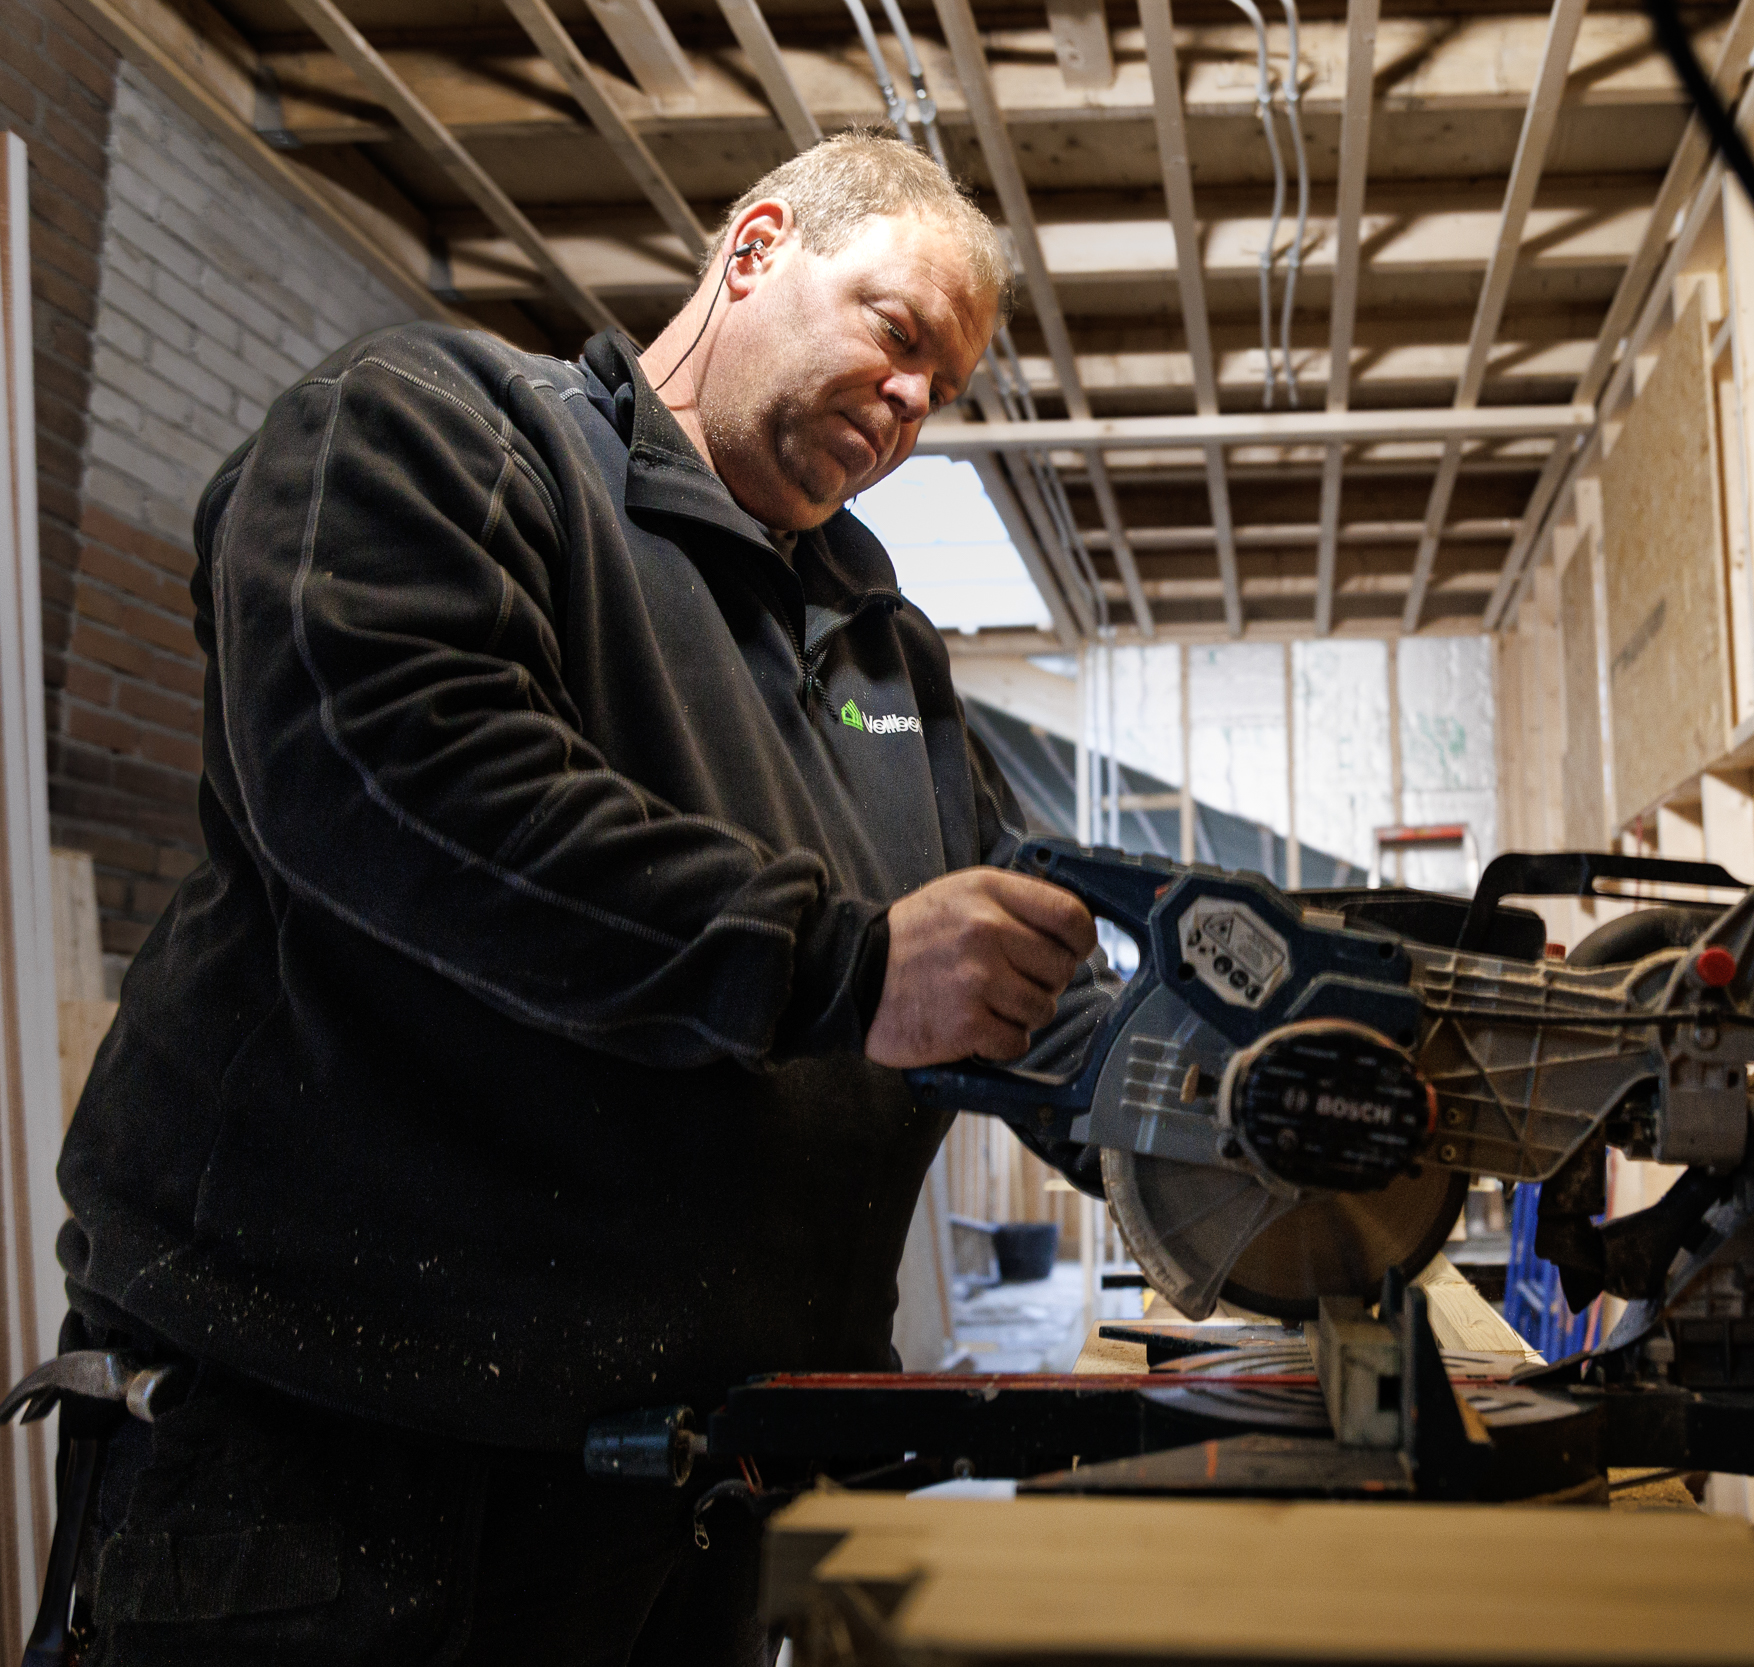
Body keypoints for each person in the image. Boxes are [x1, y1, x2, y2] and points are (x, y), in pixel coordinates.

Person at [51, 132, 1109, 1665]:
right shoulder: (441, 430)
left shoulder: (884, 654)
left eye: (941, 387)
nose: (910, 401)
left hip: (701, 1496)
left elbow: (1018, 982)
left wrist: (1217, 1109)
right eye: (896, 333)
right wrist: (844, 966)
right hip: (356, 1482)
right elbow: (396, 784)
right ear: (757, 249)